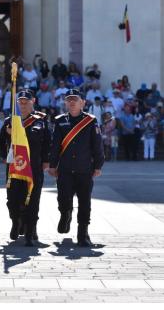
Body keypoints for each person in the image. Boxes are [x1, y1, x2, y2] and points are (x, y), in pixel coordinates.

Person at [48, 89, 104, 247]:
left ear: (83, 103)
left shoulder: (90, 121)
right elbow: (55, 146)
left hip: (84, 169)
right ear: (65, 103)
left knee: (85, 203)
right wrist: (52, 165)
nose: (72, 102)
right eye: (69, 99)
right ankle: (65, 215)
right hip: (65, 170)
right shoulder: (59, 121)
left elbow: (97, 146)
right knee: (63, 200)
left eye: (75, 99)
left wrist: (98, 165)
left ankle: (83, 234)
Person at [0, 89, 51, 246]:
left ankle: (30, 232)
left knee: (32, 200)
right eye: (20, 102)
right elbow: (1, 141)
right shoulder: (10, 121)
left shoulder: (40, 120)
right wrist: (4, 154)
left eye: (25, 102)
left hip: (33, 166)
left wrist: (47, 161)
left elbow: (48, 142)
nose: (22, 105)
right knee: (12, 200)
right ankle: (16, 222)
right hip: (14, 168)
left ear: (33, 101)